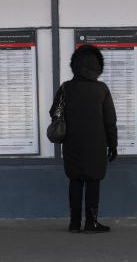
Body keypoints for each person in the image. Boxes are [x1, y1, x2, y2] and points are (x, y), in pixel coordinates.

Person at [49, 44, 118, 233]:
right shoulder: (102, 89)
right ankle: (91, 223)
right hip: (96, 144)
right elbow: (110, 121)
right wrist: (113, 145)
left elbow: (54, 112)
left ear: (75, 65)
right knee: (93, 181)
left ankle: (74, 223)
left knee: (75, 180)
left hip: (72, 143)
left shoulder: (66, 88)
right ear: (97, 66)